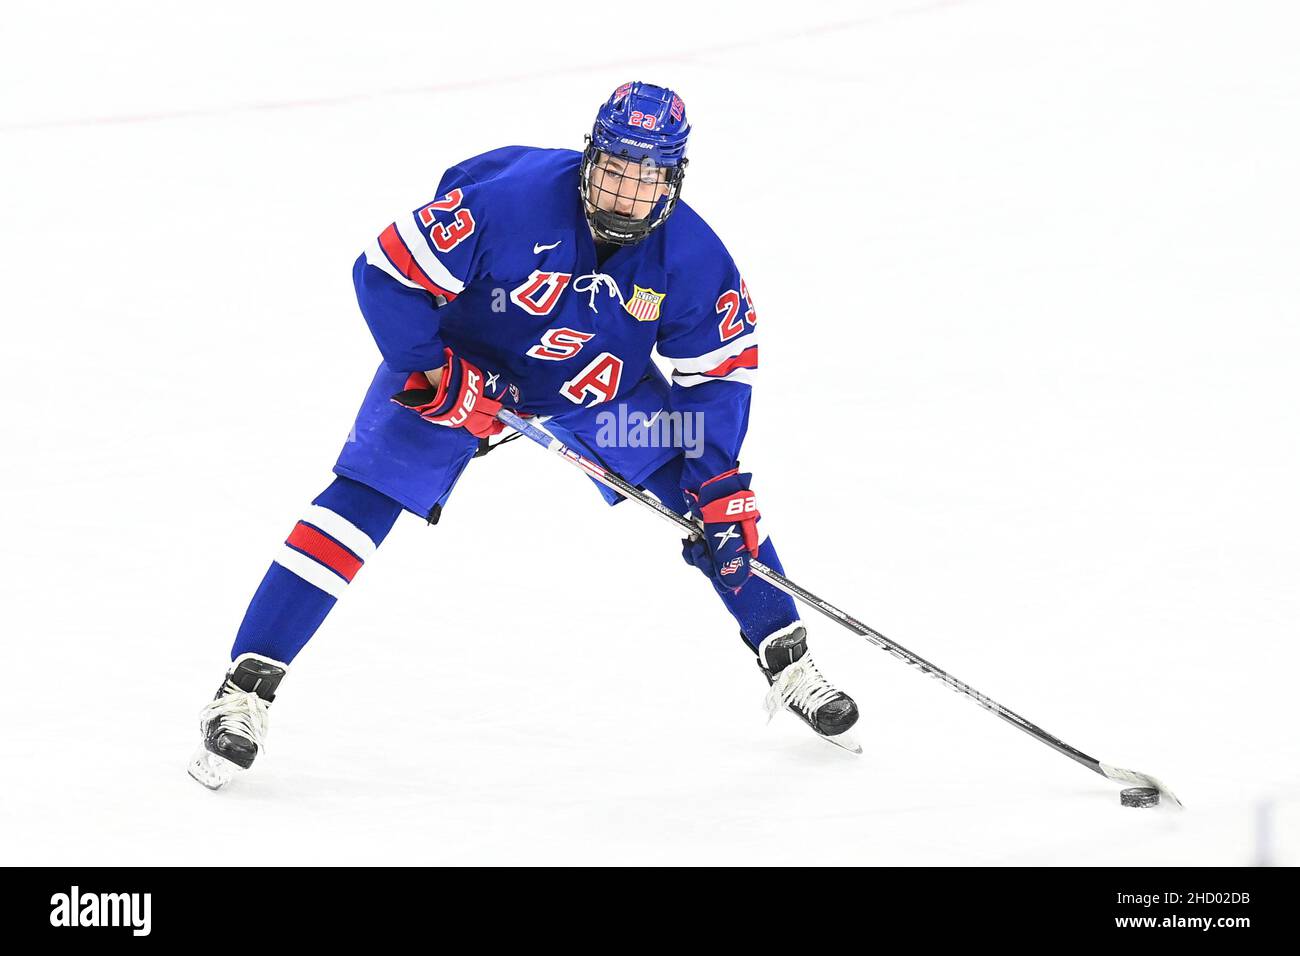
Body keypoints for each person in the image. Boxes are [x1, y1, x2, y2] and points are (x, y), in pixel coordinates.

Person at [188, 81, 859, 790]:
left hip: (600, 389)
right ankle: (244, 689)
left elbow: (719, 371)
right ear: (590, 155)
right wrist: (431, 369)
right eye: (614, 169)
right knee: (360, 501)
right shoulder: (506, 200)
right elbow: (384, 273)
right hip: (460, 374)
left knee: (719, 508)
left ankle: (788, 661)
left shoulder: (692, 256)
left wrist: (717, 477)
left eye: (646, 178)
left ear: (674, 180)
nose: (624, 194)